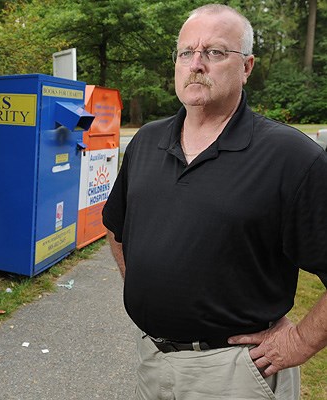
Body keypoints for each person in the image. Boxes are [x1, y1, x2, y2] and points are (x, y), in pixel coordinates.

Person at [102, 4, 327, 400]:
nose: (196, 64)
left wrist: (301, 342)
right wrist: (143, 285)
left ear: (247, 67)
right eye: (186, 52)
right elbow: (116, 224)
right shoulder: (146, 142)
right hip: (152, 361)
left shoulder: (291, 157)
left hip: (235, 374)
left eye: (215, 52)